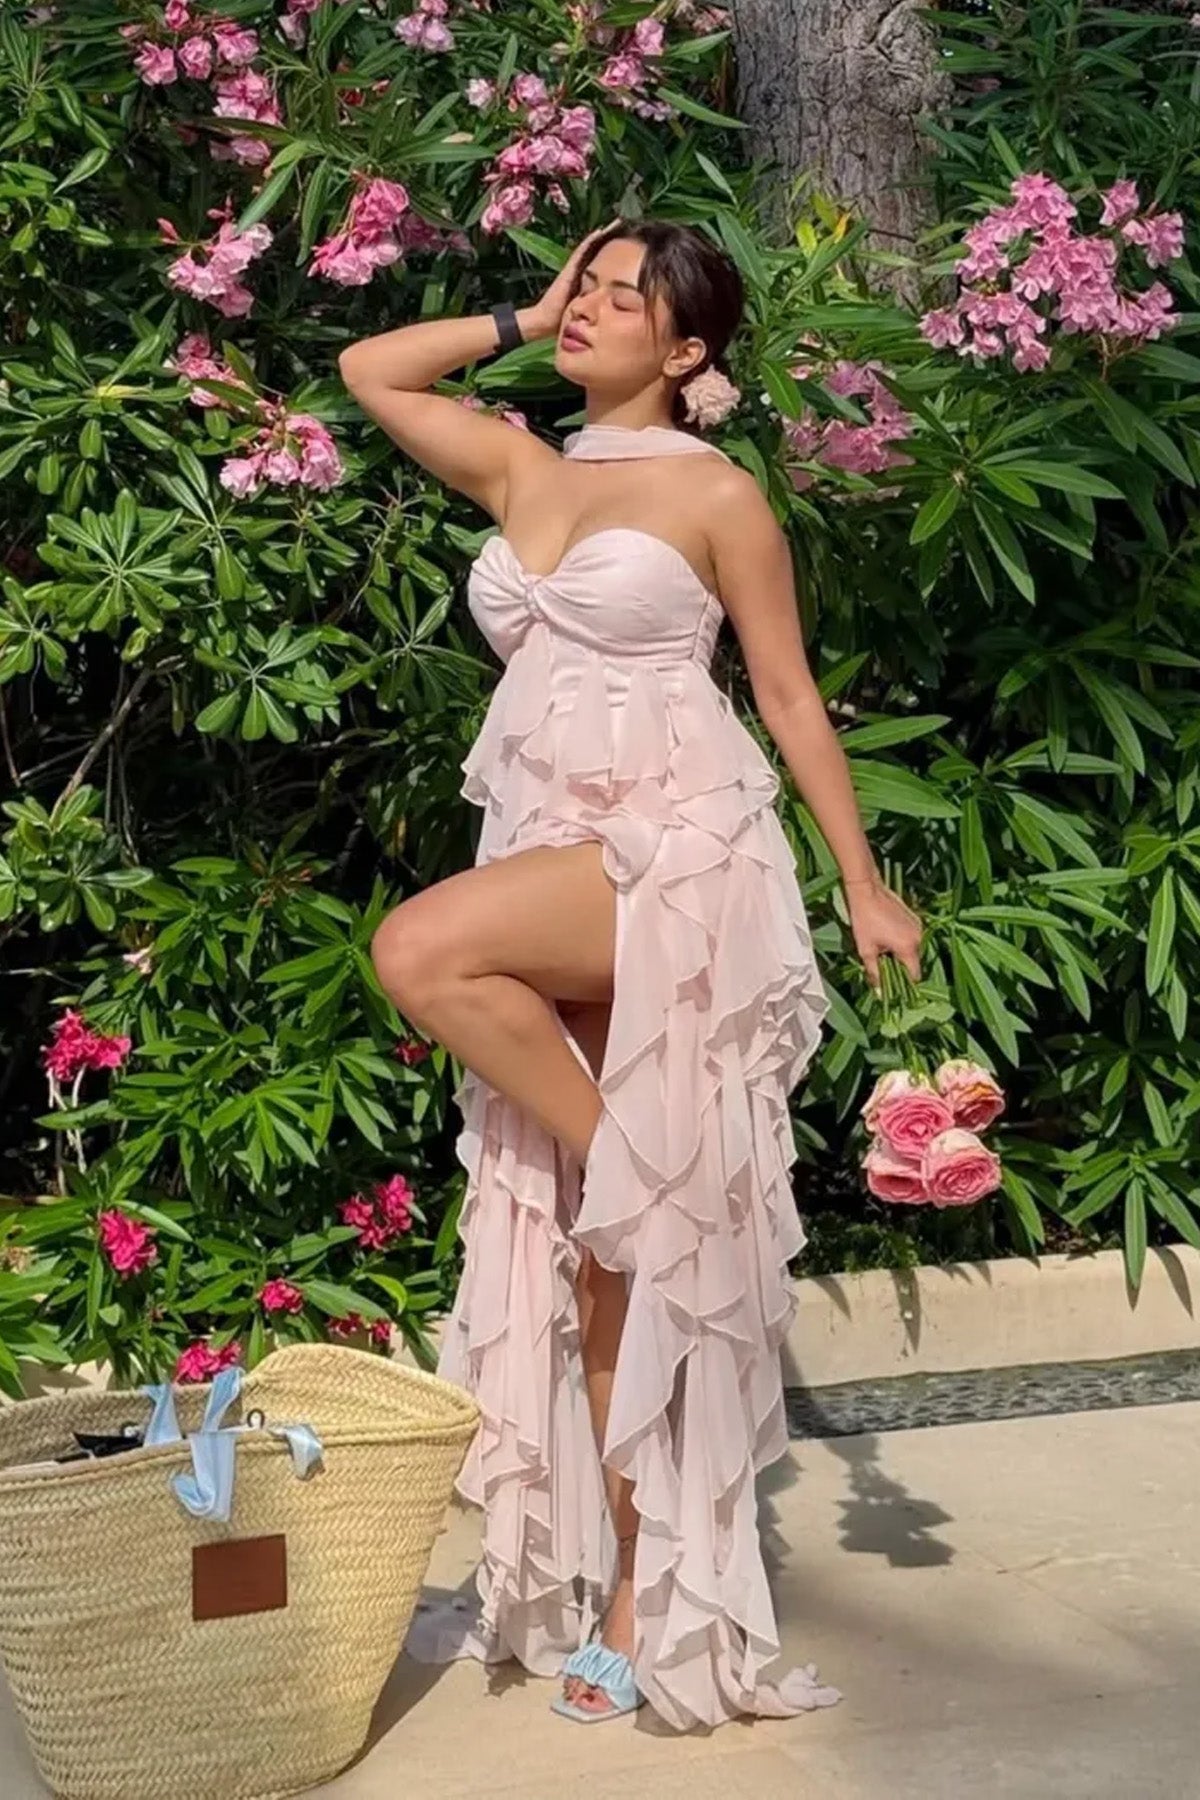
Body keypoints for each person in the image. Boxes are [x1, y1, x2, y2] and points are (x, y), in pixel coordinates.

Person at [338, 218, 922, 1731]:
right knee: (604, 1267)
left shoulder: (717, 493)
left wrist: (862, 883)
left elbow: (786, 693)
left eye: (621, 298)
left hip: (675, 854)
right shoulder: (518, 463)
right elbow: (368, 368)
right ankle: (625, 1593)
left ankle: (630, 1171)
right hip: (552, 846)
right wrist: (521, 317)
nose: (592, 308)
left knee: (418, 945)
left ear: (688, 349)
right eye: (586, 286)